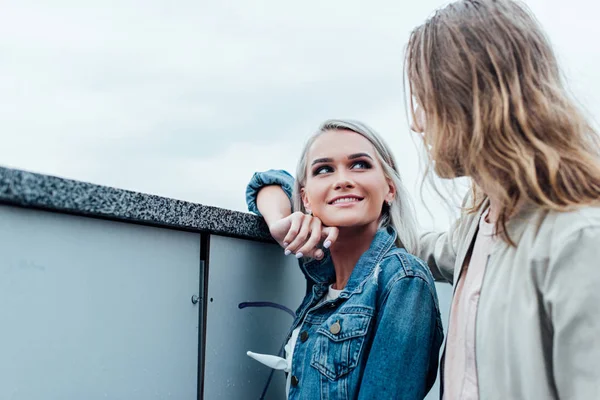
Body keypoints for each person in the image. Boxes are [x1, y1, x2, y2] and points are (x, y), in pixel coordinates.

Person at [245, 1, 600, 399]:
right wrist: (283, 218)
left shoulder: (579, 241)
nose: (417, 122)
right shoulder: (476, 230)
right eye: (324, 170)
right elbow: (268, 182)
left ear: (470, 100)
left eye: (426, 101)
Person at [246, 119, 443, 399]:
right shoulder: (322, 275)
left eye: (360, 165)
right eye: (324, 169)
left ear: (390, 187)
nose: (342, 180)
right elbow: (265, 181)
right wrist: (281, 224)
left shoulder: (403, 279)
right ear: (306, 199)